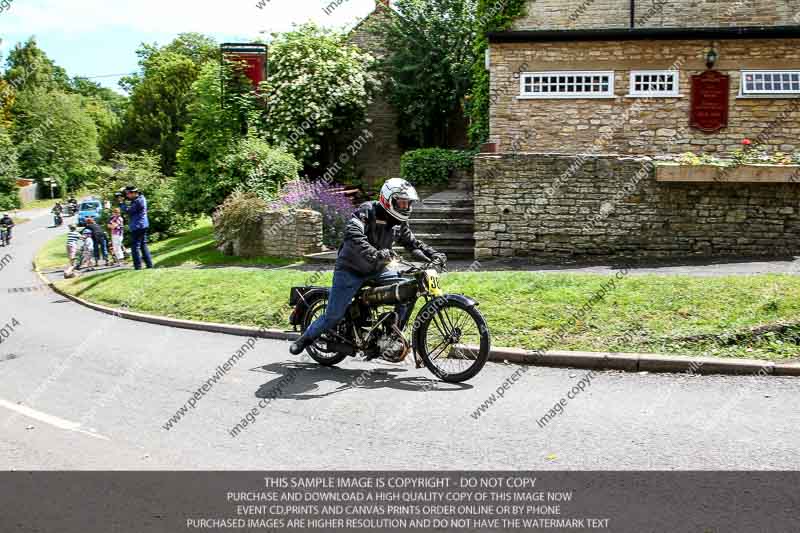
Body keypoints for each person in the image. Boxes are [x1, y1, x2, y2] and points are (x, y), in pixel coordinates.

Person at [290, 178, 447, 356]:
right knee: (333, 316)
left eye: (408, 203)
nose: (405, 206)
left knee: (409, 288)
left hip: (378, 270)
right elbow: (354, 234)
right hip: (350, 270)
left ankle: (390, 337)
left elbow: (412, 243)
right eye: (402, 202)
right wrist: (375, 253)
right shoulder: (368, 210)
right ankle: (304, 339)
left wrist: (433, 254)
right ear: (389, 200)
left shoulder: (399, 222)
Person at [119, 186, 153, 270]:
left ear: (134, 193)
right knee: (143, 245)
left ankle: (137, 266)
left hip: (138, 225)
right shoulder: (140, 198)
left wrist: (121, 203)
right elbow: (131, 201)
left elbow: (128, 211)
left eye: (128, 194)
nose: (127, 195)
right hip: (142, 224)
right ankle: (149, 264)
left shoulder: (138, 201)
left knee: (135, 246)